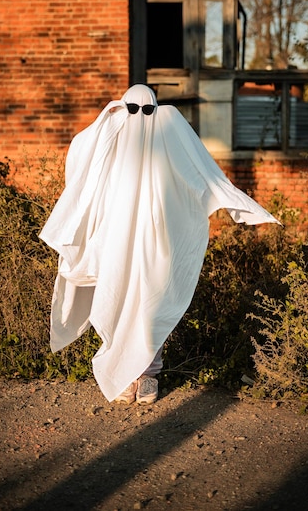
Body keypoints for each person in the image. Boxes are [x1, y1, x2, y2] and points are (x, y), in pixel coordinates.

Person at [39, 84, 280, 405]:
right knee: (115, 297)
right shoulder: (111, 140)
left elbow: (203, 172)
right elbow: (83, 155)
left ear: (158, 110)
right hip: (115, 241)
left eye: (148, 110)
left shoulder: (168, 139)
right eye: (132, 110)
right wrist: (110, 114)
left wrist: (242, 206)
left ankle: (149, 374)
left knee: (151, 305)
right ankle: (122, 371)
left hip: (157, 242)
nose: (141, 117)